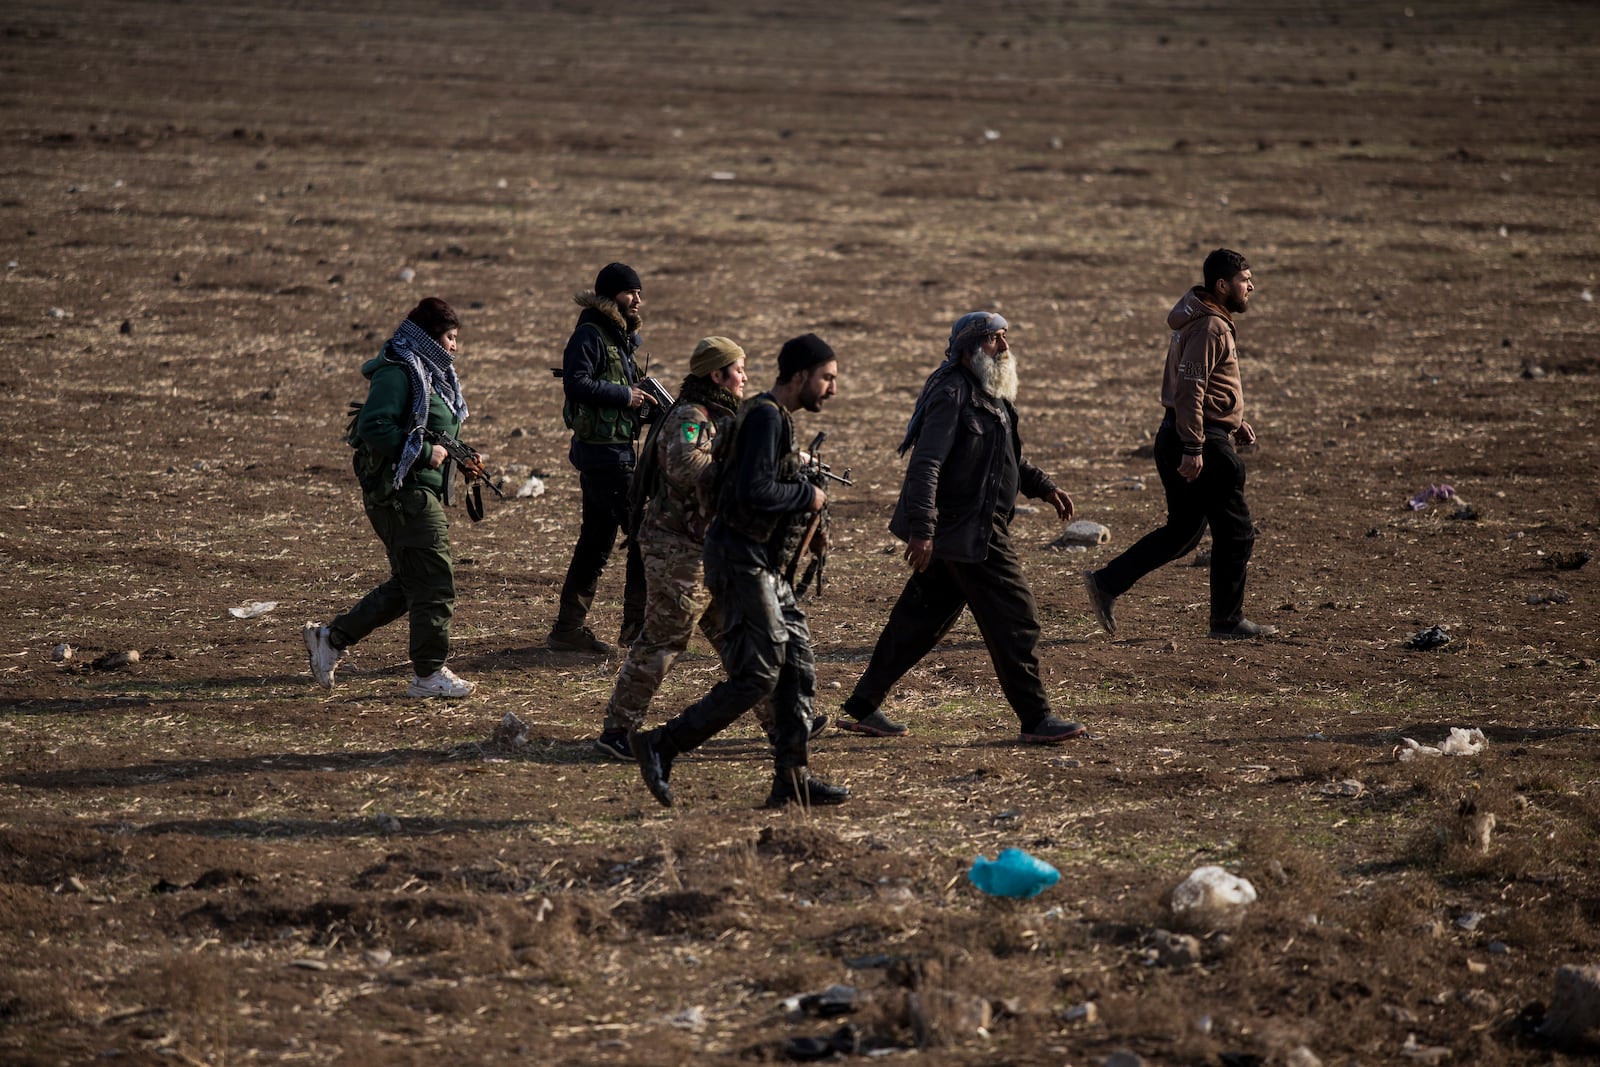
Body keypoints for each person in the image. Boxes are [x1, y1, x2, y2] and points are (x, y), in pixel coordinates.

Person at [836, 312, 1087, 744]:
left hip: (963, 531)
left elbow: (1006, 459)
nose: (1004, 347)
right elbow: (926, 465)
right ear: (970, 349)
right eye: (994, 339)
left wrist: (1043, 487)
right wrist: (922, 530)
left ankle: (863, 707)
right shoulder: (952, 393)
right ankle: (1036, 719)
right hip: (968, 531)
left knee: (916, 622)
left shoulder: (993, 395)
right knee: (1016, 617)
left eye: (1005, 338)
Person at [630, 335, 848, 809]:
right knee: (760, 673)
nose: (832, 389)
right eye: (827, 378)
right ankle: (662, 744)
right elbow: (753, 492)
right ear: (799, 376)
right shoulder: (766, 417)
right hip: (739, 559)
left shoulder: (767, 416)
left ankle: (792, 777)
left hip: (760, 561)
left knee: (797, 664)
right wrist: (807, 498)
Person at [591, 337, 822, 759]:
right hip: (675, 546)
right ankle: (617, 732)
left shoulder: (722, 416)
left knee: (741, 641)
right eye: (738, 369)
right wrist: (744, 468)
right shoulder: (690, 417)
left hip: (705, 547)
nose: (745, 377)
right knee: (664, 639)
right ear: (716, 375)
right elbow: (685, 466)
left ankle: (784, 720)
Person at [1082, 248, 1279, 641]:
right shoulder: (1211, 327)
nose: (1251, 286)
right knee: (1237, 532)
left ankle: (1107, 582)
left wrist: (1232, 420)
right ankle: (1227, 621)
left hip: (1181, 433)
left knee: (1183, 532)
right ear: (1222, 285)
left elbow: (1199, 387)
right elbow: (1190, 388)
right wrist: (1195, 446)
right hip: (1195, 440)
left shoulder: (1201, 320)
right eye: (1244, 280)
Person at [303, 297, 479, 699]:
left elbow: (433, 430)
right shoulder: (401, 372)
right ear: (430, 337)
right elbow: (373, 425)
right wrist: (421, 454)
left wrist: (463, 456)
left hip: (418, 491)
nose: (455, 346)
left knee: (410, 583)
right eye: (450, 338)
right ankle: (429, 674)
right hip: (403, 495)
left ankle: (331, 639)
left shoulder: (430, 373)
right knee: (434, 582)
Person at [548, 262, 650, 655]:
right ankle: (637, 631)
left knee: (595, 542)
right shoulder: (590, 334)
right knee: (643, 535)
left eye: (640, 293)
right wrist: (627, 395)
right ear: (610, 296)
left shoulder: (616, 337)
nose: (638, 300)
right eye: (630, 293)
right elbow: (576, 383)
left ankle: (567, 630)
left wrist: (639, 391)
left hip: (612, 450)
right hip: (605, 455)